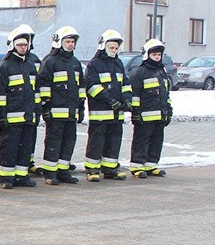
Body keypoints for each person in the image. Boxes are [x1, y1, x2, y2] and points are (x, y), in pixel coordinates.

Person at [37, 26, 85, 185]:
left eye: (72, 42)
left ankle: (63, 171)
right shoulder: (50, 61)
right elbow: (43, 85)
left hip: (71, 112)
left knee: (69, 142)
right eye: (67, 41)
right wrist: (46, 108)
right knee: (53, 142)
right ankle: (50, 173)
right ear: (59, 42)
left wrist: (81, 107)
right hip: (55, 112)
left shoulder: (75, 63)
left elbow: (80, 87)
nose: (71, 44)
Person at [83, 29, 132, 182]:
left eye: (116, 48)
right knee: (97, 140)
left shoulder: (118, 63)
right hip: (101, 112)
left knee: (114, 140)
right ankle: (92, 169)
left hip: (117, 112)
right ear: (103, 46)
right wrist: (110, 100)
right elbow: (92, 87)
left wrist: (127, 99)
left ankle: (110, 168)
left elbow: (125, 84)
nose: (114, 50)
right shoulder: (94, 64)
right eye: (111, 47)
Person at [0, 27, 39, 189]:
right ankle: (6, 178)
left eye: (25, 45)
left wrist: (37, 110)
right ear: (12, 45)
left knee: (25, 147)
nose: (23, 48)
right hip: (11, 117)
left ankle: (22, 176)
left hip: (27, 116)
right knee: (9, 148)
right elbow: (0, 93)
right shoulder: (5, 66)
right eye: (19, 45)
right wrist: (1, 115)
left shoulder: (30, 65)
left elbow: (35, 91)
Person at [128, 38, 173, 178]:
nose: (157, 57)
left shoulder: (162, 72)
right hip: (144, 115)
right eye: (154, 55)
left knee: (157, 140)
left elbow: (166, 93)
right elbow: (134, 95)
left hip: (160, 115)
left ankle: (151, 164)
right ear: (147, 55)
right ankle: (137, 166)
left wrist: (169, 110)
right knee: (141, 140)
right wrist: (135, 113)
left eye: (159, 55)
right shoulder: (138, 72)